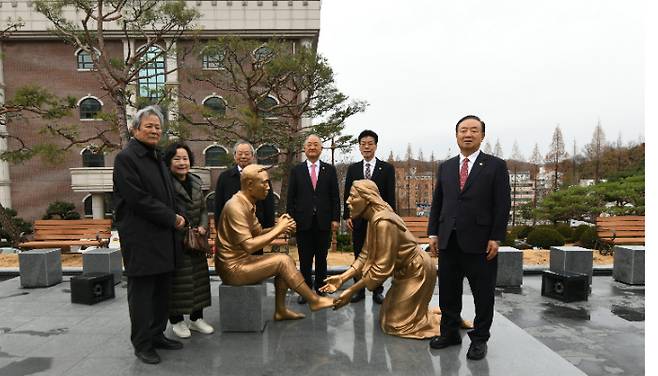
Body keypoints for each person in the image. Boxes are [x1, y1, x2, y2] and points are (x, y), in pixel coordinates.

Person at [427, 115, 511, 360]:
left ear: (482, 135)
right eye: (463, 130)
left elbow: (502, 204)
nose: (468, 134)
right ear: (456, 135)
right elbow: (438, 202)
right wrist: (433, 233)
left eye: (474, 130)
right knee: (448, 292)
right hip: (449, 241)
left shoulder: (495, 165)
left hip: (481, 242)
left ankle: (479, 339)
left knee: (483, 295)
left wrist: (496, 237)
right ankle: (450, 333)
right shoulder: (447, 166)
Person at [113, 105, 187, 365]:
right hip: (141, 238)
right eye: (149, 126)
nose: (155, 131)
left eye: (158, 127)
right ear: (135, 129)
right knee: (143, 294)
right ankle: (142, 343)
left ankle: (157, 335)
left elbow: (168, 194)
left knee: (161, 292)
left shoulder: (156, 157)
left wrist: (178, 212)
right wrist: (171, 217)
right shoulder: (126, 158)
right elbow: (138, 199)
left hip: (163, 237)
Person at [320, 180, 437, 339]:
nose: (347, 201)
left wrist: (350, 291)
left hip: (418, 271)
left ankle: (447, 322)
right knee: (386, 319)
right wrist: (342, 278)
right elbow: (364, 256)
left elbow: (381, 269)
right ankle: (425, 314)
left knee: (395, 325)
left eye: (353, 196)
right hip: (405, 271)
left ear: (367, 199)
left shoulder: (383, 222)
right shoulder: (374, 219)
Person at [214, 164, 334, 319]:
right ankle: (314, 300)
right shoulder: (235, 207)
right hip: (232, 268)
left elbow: (257, 233)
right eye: (264, 183)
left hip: (242, 260)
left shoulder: (247, 203)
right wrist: (279, 229)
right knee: (282, 261)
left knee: (286, 261)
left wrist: (280, 227)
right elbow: (249, 245)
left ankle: (280, 311)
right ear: (250, 185)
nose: (268, 187)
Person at [163, 142, 214, 339]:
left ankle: (197, 318)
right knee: (179, 282)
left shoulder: (195, 180)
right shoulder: (165, 183)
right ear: (169, 162)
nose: (182, 163)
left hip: (197, 241)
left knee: (199, 280)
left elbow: (202, 208)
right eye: (177, 159)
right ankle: (176, 321)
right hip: (176, 241)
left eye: (185, 159)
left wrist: (203, 226)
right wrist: (184, 229)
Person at [343, 130, 396, 304]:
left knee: (378, 256)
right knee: (359, 254)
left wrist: (390, 219)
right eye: (363, 143)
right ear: (359, 146)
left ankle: (377, 290)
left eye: (370, 143)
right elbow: (347, 194)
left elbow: (390, 196)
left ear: (375, 145)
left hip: (379, 220)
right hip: (358, 220)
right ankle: (358, 290)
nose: (366, 146)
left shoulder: (387, 169)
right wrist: (347, 216)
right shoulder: (353, 169)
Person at [286, 134, 340, 303]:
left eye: (316, 144)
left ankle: (321, 287)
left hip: (324, 222)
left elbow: (335, 197)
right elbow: (291, 197)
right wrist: (291, 220)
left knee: (322, 258)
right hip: (303, 222)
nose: (312, 147)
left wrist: (335, 218)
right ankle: (305, 290)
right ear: (304, 148)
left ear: (321, 148)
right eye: (309, 144)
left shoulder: (329, 170)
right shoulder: (297, 170)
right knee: (305, 258)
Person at [214, 141, 275, 255]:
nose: (243, 156)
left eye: (247, 153)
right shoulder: (225, 177)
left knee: (255, 267)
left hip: (255, 233)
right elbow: (218, 205)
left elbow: (269, 203)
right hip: (231, 232)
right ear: (234, 155)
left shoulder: (261, 175)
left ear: (252, 156)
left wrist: (267, 228)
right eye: (240, 153)